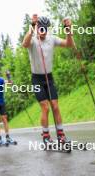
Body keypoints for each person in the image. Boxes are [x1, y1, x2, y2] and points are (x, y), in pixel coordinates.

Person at [22, 15, 74, 144]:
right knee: (45, 108)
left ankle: (61, 135)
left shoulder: (52, 39)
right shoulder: (33, 39)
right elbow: (24, 44)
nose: (42, 31)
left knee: (55, 106)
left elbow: (69, 44)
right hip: (37, 79)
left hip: (49, 78)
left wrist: (68, 30)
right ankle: (46, 136)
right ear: (37, 28)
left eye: (44, 29)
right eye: (40, 28)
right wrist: (32, 26)